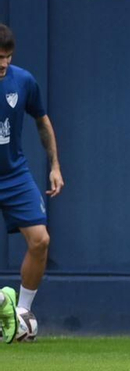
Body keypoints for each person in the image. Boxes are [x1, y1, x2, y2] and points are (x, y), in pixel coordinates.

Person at [0, 24, 63, 342]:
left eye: (7, 57)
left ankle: (21, 314)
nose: (3, 64)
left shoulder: (23, 81)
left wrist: (54, 165)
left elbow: (42, 120)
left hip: (13, 175)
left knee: (40, 240)